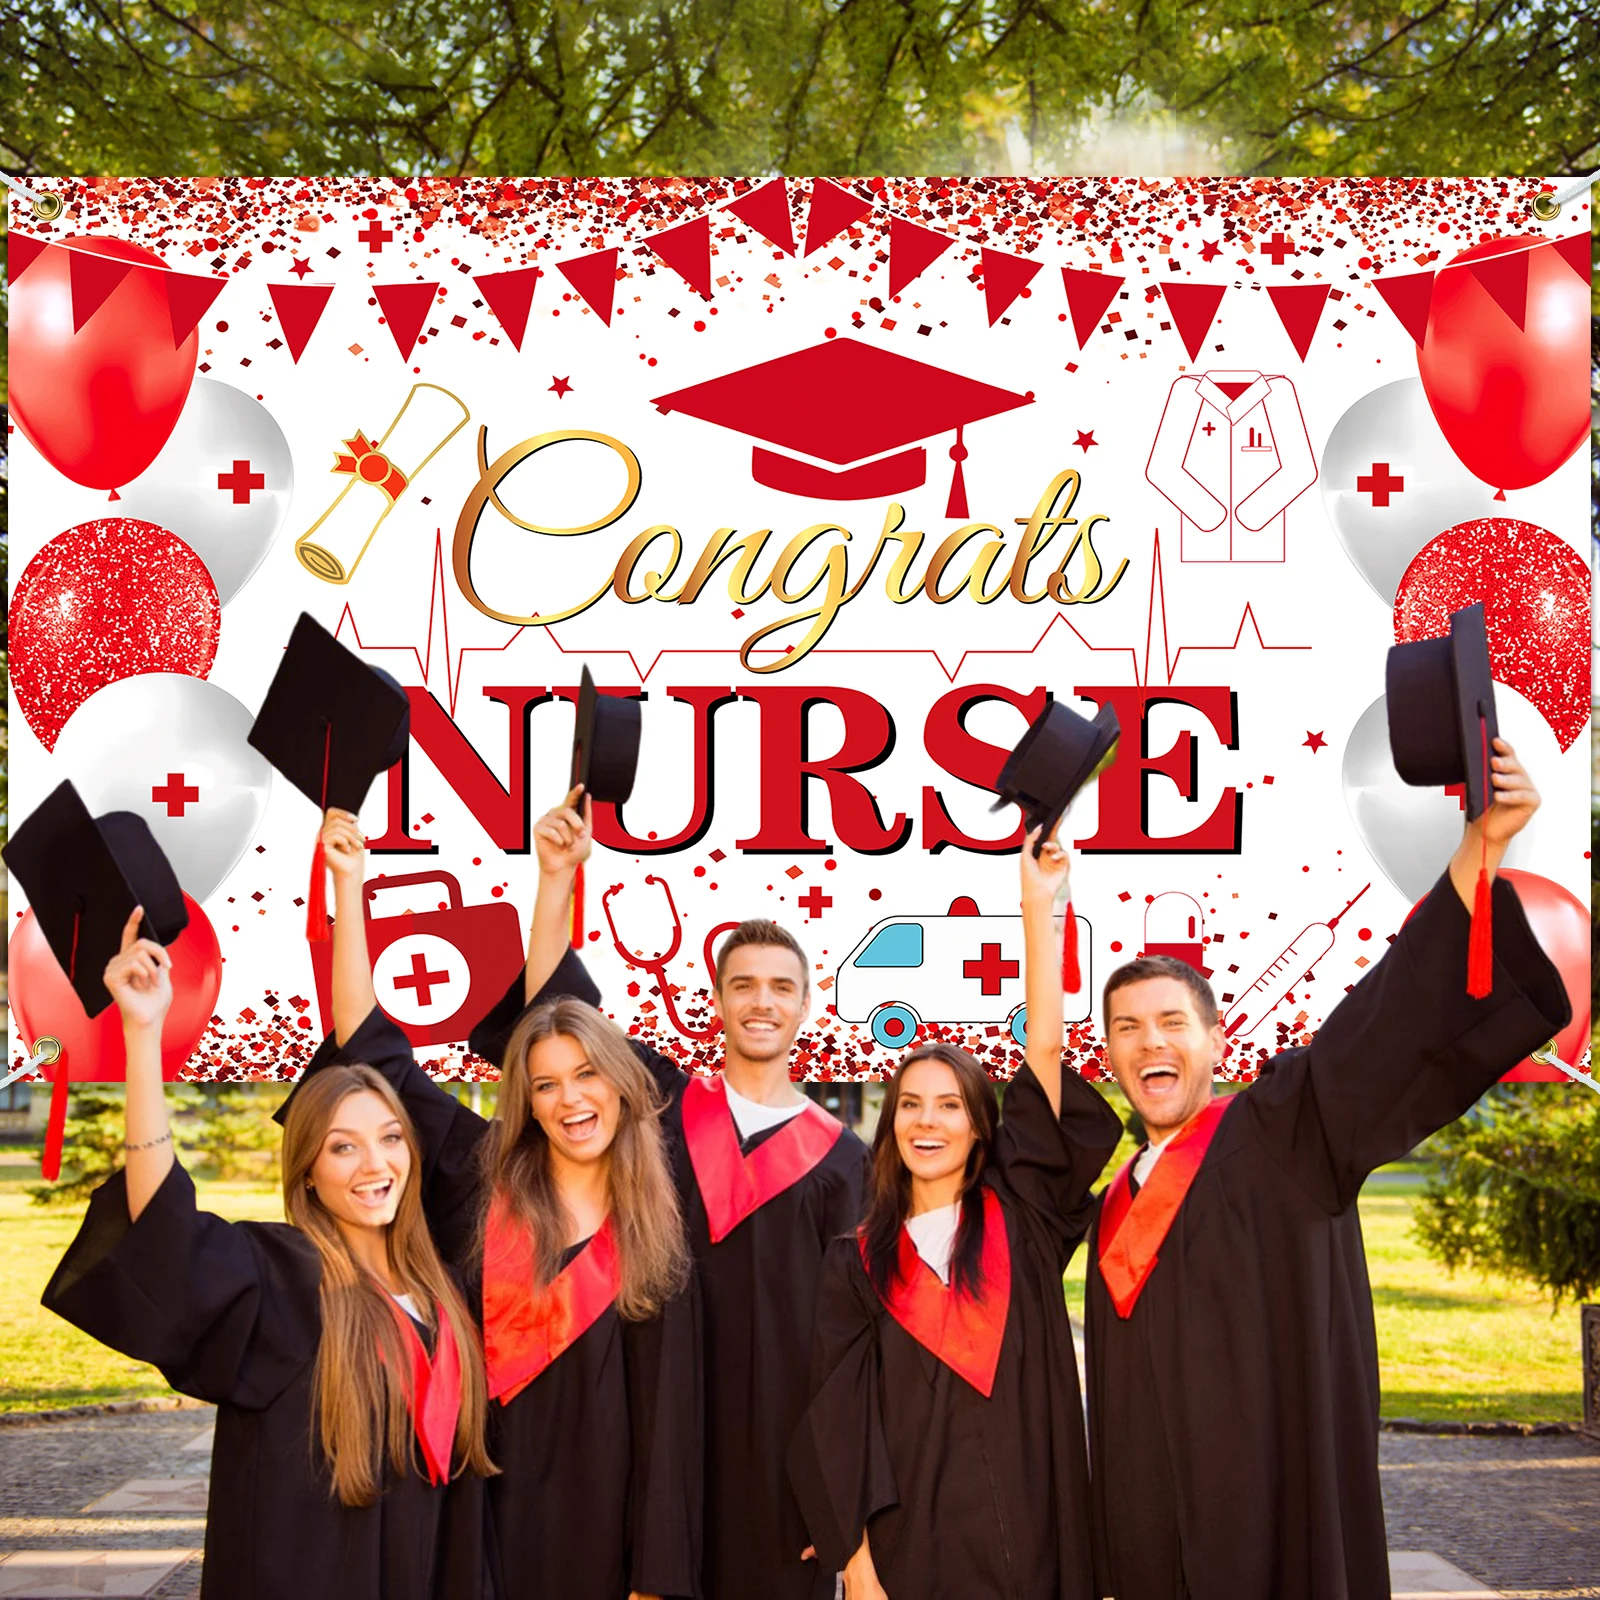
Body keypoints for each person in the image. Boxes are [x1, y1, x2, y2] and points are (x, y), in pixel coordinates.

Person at [1084, 738, 1571, 1600]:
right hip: (1152, 1541)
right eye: (1127, 1027)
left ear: (1216, 1042)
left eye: (1171, 1022)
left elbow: (1381, 1022)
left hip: (1272, 1529)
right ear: (1109, 1053)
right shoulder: (1117, 1203)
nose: (1150, 1041)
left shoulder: (1281, 1134)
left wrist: (1478, 848)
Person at [286, 808, 702, 1600]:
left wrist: (654, 1576)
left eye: (587, 1076)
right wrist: (350, 888)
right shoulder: (481, 1179)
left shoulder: (660, 1227)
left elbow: (670, 1431)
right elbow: (374, 1048)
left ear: (621, 1083)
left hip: (603, 1537)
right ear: (525, 1101)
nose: (571, 1100)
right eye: (545, 1085)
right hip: (468, 1512)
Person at [471, 787, 871, 1600]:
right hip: (649, 1414)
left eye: (781, 986)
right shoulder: (662, 1100)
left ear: (806, 1005)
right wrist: (555, 880)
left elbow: (851, 1345)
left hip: (773, 1448)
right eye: (745, 984)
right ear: (717, 1001)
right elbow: (557, 1011)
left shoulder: (845, 1164)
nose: (762, 1000)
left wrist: (837, 1496)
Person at [43, 908, 495, 1600]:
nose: (375, 1164)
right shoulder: (280, 1278)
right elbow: (166, 1232)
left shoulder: (444, 1290)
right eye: (342, 1146)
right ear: (307, 1170)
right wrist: (143, 1036)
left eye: (391, 1138)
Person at [787, 828, 1123, 1599]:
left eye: (949, 1106)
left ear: (980, 1127)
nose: (926, 1123)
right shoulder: (858, 1260)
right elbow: (840, 1418)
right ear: (890, 1122)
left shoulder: (1021, 1220)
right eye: (910, 1105)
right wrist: (861, 1568)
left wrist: (1039, 906)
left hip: (1038, 1540)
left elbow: (1042, 1055)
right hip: (914, 1552)